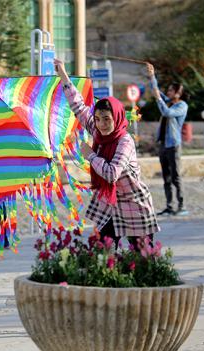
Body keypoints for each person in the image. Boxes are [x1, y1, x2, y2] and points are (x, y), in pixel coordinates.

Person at [55, 58, 160, 249]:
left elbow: (112, 174)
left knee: (143, 256)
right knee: (103, 253)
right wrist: (62, 74)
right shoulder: (97, 130)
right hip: (110, 204)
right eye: (97, 119)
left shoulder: (124, 141)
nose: (101, 124)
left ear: (117, 117)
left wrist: (91, 155)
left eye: (106, 119)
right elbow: (78, 106)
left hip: (133, 204)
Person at [146, 63, 189, 216]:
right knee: (166, 177)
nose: (168, 92)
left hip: (174, 145)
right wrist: (152, 75)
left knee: (176, 176)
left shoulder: (182, 106)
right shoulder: (169, 101)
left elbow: (166, 112)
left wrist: (158, 99)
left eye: (171, 90)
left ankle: (181, 205)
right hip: (163, 145)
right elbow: (156, 91)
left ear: (178, 93)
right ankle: (169, 206)